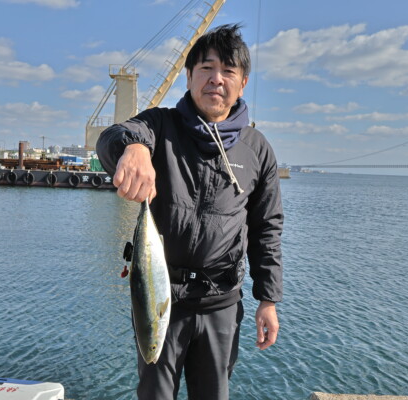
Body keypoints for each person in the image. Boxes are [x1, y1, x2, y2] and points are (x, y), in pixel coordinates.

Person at [97, 23, 283, 400]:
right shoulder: (159, 124)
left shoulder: (257, 149)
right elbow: (111, 139)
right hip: (159, 297)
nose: (216, 80)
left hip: (222, 301)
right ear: (188, 77)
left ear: (243, 82)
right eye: (206, 69)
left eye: (228, 71)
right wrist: (133, 148)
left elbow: (267, 228)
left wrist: (268, 298)